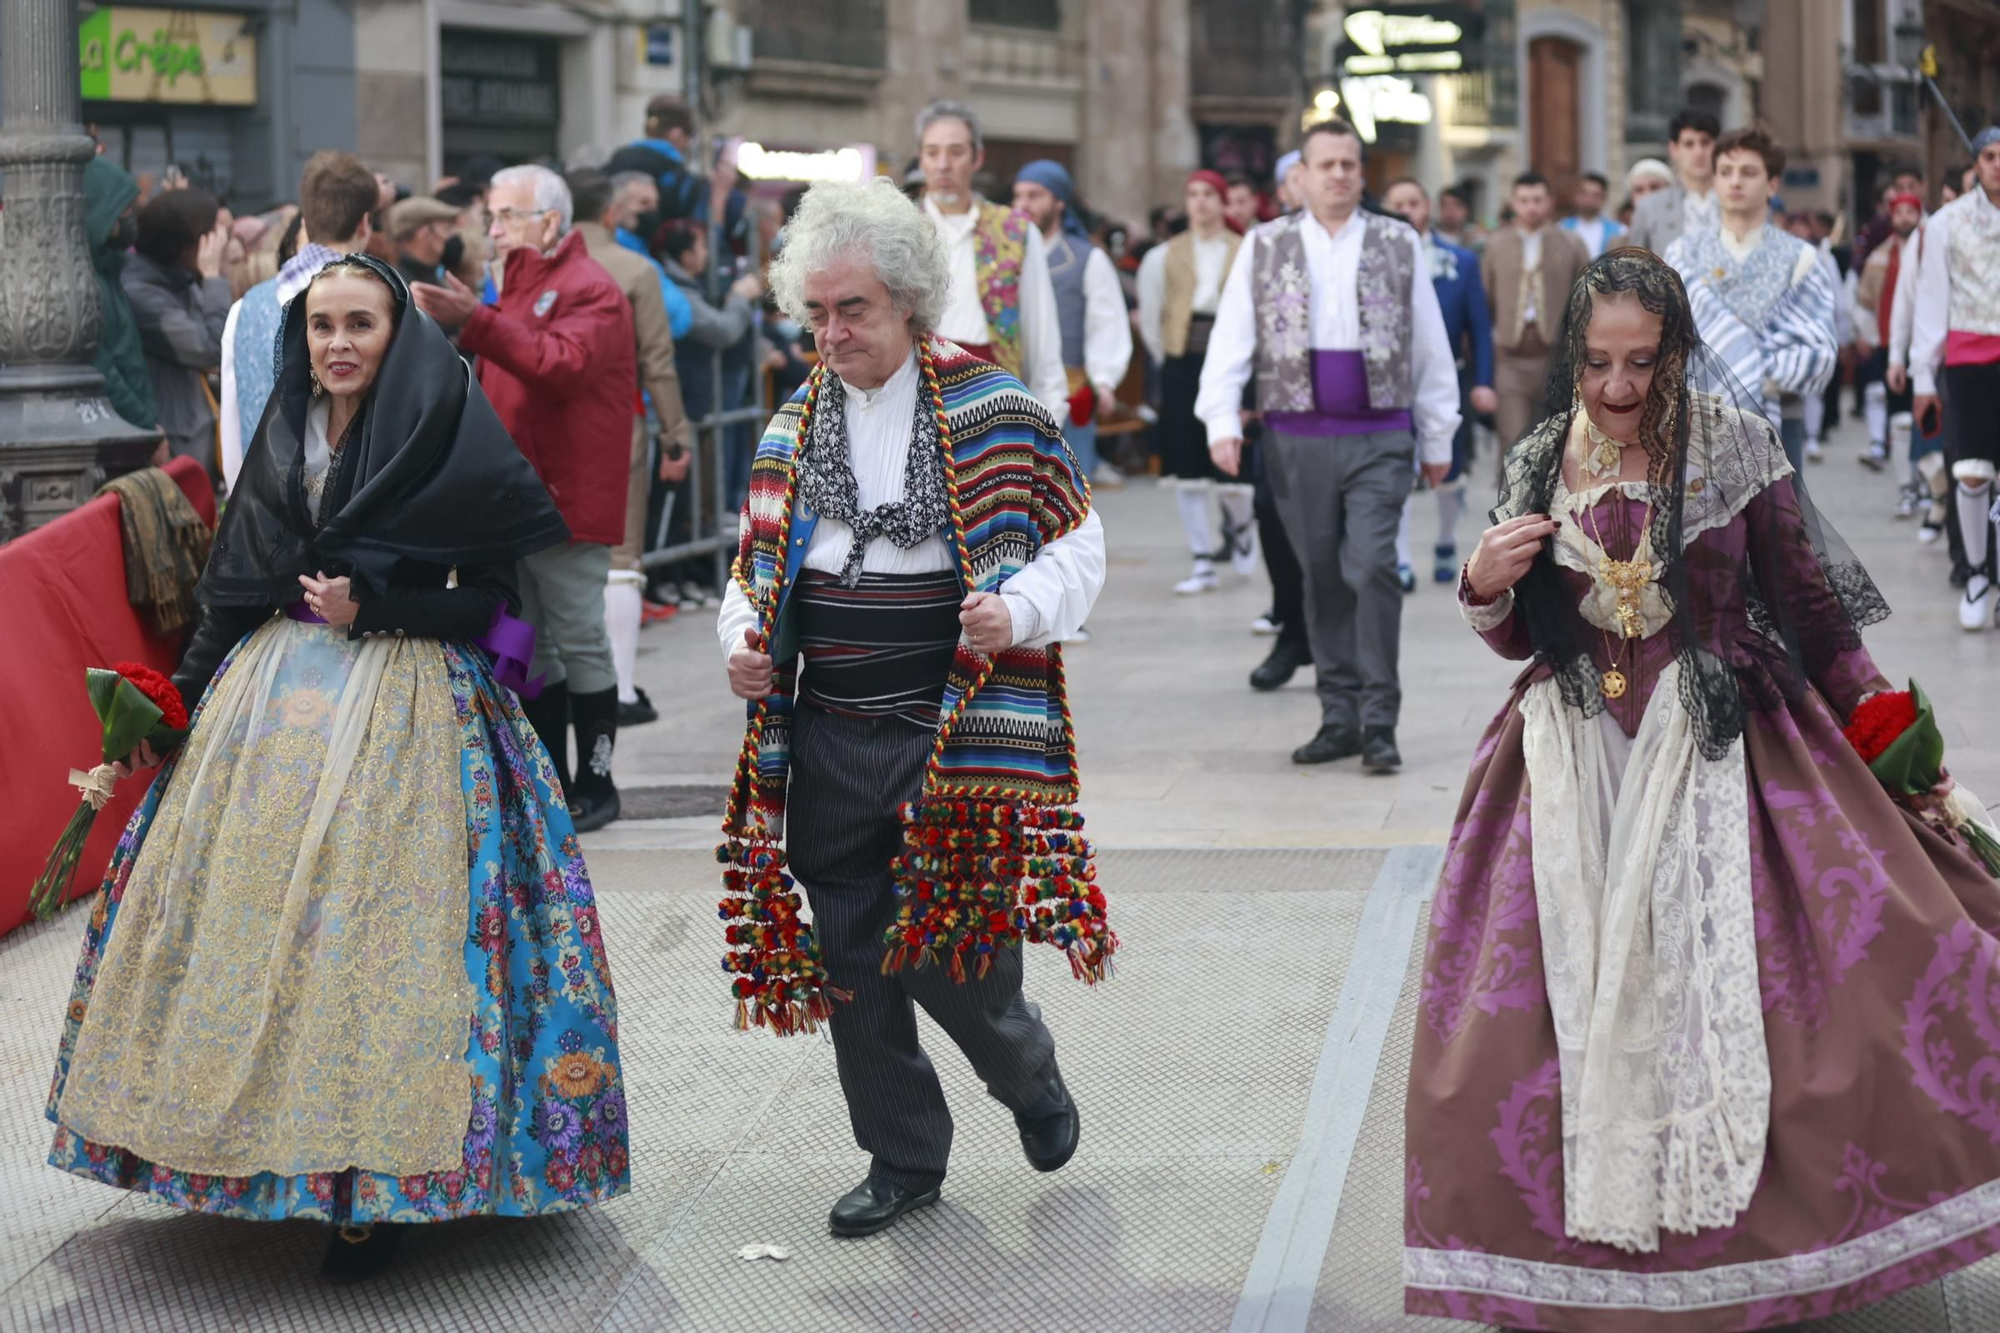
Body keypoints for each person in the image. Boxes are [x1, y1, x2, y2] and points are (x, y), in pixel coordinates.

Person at [1405, 244, 2000, 1331]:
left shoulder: (1739, 449)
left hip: (1729, 746)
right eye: (1595, 364)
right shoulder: (1538, 460)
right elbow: (1515, 638)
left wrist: (1904, 759)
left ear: (1676, 352)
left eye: (1641, 361)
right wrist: (1481, 586)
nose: (1619, 388)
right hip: (1570, 759)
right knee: (1539, 1026)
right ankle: (1590, 1259)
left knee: (1794, 1000)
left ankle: (1759, 1255)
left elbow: (1820, 628)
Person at [46, 254, 625, 1285]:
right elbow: (234, 591)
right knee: (260, 926)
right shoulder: (283, 432)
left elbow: (499, 608)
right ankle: (260, 1151)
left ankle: (374, 1187)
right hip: (270, 712)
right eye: (321, 327)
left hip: (412, 712)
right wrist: (172, 708)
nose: (339, 344)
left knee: (379, 936)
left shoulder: (448, 430)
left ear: (398, 334)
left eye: (361, 324)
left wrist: (380, 611)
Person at [715, 178, 1110, 1238]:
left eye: (853, 310)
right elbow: (749, 575)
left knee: (953, 945)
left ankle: (1022, 1066)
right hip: (829, 731)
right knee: (850, 950)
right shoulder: (790, 428)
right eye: (816, 313)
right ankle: (901, 1156)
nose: (831, 332)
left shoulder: (995, 410)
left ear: (907, 307)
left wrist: (1016, 608)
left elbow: (1080, 544)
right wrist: (742, 649)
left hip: (951, 732)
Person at [1196, 119, 1462, 773]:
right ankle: (1338, 715)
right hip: (1296, 437)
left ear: (1361, 172)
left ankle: (1380, 719)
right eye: (1327, 164)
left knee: (1372, 563)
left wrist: (1438, 431)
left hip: (1379, 432)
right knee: (1320, 578)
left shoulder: (1399, 242)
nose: (1339, 174)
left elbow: (1429, 344)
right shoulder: (1264, 243)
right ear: (1303, 176)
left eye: (1349, 163)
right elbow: (1232, 335)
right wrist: (1222, 420)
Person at [410, 165, 639, 830]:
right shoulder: (515, 286)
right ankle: (551, 779)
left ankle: (597, 780)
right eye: (492, 216)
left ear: (549, 222)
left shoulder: (590, 288)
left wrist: (476, 321)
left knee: (577, 636)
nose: (495, 228)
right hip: (518, 498)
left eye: (507, 215)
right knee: (532, 643)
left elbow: (558, 365)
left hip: (564, 498)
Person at [567, 168, 696, 729]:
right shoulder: (633, 270)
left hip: (534, 430)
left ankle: (555, 682)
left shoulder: (524, 269)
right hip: (616, 422)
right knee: (620, 557)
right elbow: (657, 364)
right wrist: (677, 434)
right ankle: (616, 686)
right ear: (611, 213)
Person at [1664, 126, 1838, 474]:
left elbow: (1819, 346)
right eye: (1725, 172)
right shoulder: (1682, 253)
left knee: (1778, 524)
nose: (1735, 182)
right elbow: (1667, 337)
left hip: (1778, 416)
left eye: (1748, 172)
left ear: (1772, 184)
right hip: (1697, 420)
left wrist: (1757, 378)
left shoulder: (1801, 258)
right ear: (1714, 180)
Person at [219, 151, 379, 495]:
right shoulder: (384, 308)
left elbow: (233, 437)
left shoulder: (244, 310)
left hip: (263, 520)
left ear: (304, 221)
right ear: (365, 223)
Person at [915, 101, 1069, 421]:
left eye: (955, 152)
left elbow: (1040, 329)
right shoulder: (897, 228)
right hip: (916, 388)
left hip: (993, 389)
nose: (943, 164)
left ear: (977, 158)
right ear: (921, 158)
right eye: (932, 153)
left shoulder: (1014, 231)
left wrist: (1050, 410)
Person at [1138, 170, 1252, 595]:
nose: (1200, 202)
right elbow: (1153, 317)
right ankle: (1202, 558)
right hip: (1183, 361)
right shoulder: (1164, 255)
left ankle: (1241, 527)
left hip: (1233, 362)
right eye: (1193, 195)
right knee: (1186, 465)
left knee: (1234, 466)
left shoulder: (1246, 250)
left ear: (1223, 201)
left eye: (1209, 194)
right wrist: (1168, 353)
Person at [1905, 126, 2000, 630]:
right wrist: (1924, 376)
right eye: (1989, 156)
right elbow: (1932, 299)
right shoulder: (1947, 223)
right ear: (1976, 162)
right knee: (1972, 469)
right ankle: (1979, 573)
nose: (1998, 164)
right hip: (1968, 358)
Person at [1385, 177, 1498, 586]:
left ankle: (1447, 538)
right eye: (1397, 202)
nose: (1405, 210)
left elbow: (1480, 327)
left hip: (1447, 376)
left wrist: (1484, 380)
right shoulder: (1375, 261)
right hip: (1392, 383)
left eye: (1413, 202)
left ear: (1427, 207)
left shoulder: (1460, 261)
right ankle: (1399, 559)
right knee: (1395, 469)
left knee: (1448, 473)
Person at [1012, 160, 1134, 501]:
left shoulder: (1086, 259)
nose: (1022, 204)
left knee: (1068, 495)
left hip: (1069, 390)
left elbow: (1106, 323)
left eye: (1034, 195)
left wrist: (1104, 379)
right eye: (1018, 195)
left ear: (1059, 202)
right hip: (1012, 385)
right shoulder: (1001, 257)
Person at [123, 188, 232, 476]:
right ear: (189, 246)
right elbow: (213, 348)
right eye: (212, 237)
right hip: (174, 449)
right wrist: (212, 278)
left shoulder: (180, 281)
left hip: (196, 439)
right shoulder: (141, 294)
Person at [1483, 173, 1590, 458]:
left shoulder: (1571, 243)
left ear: (1550, 202)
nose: (1531, 207)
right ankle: (1515, 503)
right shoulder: (1496, 245)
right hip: (1510, 357)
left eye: (1537, 200)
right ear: (1513, 203)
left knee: (1554, 436)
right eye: (1524, 200)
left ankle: (1548, 501)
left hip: (1554, 356)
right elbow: (1486, 300)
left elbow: (1585, 302)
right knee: (1513, 438)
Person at [1854, 192, 1927, 489]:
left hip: (1926, 345)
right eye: (1900, 212)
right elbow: (1865, 300)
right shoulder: (1879, 257)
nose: (1905, 218)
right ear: (1892, 217)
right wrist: (1867, 335)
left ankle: (1928, 484)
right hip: (1889, 344)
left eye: (1912, 212)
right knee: (1899, 417)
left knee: (1926, 416)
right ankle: (1906, 484)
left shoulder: (1930, 253)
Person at [83, 155, 158, 437]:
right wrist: (143, 424)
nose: (130, 218)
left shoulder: (109, 272)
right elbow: (104, 368)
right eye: (123, 210)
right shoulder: (90, 283)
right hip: (123, 432)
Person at [608, 171, 695, 339]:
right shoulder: (620, 254)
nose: (653, 211)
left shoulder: (643, 250)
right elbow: (672, 310)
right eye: (643, 203)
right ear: (617, 209)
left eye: (655, 204)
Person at [1627, 108, 1721, 256]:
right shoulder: (1649, 208)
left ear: (1717, 146)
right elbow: (1633, 269)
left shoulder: (1741, 201)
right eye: (1689, 144)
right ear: (1674, 149)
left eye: (1705, 142)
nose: (1698, 152)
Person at [388, 196, 463, 289]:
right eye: (446, 228)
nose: (452, 236)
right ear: (425, 233)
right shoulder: (401, 288)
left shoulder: (432, 277)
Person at [1558, 170, 1626, 259]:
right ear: (1576, 195)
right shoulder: (1562, 228)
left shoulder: (1619, 231)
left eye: (1595, 195)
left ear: (1604, 198)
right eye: (1584, 194)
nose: (1589, 200)